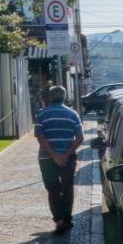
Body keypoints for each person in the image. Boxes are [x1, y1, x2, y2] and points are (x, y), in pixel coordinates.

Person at [35, 85, 84, 235]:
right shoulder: (72, 114)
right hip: (68, 158)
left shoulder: (41, 114)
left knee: (53, 189)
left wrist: (53, 155)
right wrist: (67, 154)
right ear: (65, 97)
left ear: (49, 97)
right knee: (67, 188)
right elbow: (80, 137)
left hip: (46, 158)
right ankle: (67, 219)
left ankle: (59, 219)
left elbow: (40, 136)